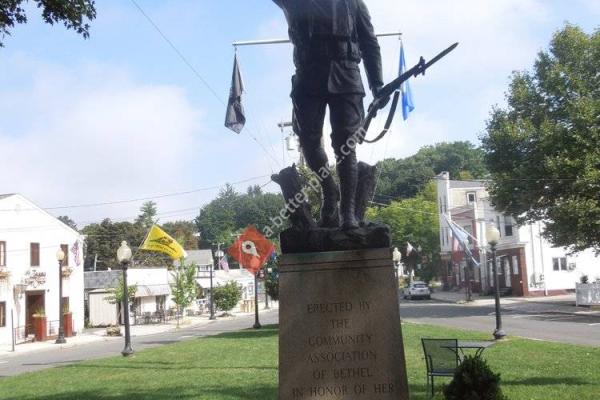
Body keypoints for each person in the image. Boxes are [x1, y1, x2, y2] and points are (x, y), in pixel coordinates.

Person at [273, 0, 385, 229]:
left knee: (346, 144)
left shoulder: (354, 3)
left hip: (346, 72)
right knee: (308, 140)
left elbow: (369, 41)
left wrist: (377, 84)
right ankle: (328, 188)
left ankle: (347, 214)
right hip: (308, 73)